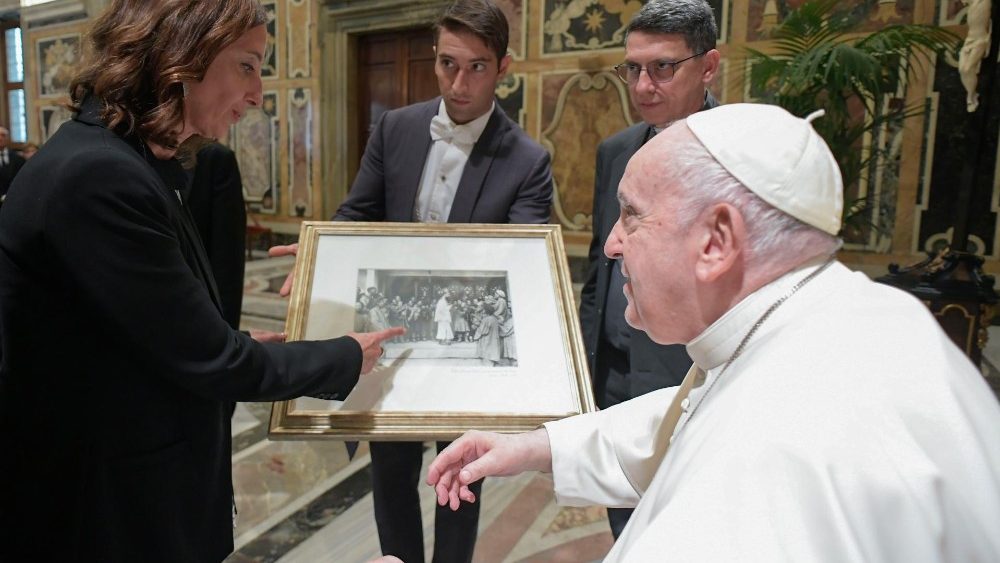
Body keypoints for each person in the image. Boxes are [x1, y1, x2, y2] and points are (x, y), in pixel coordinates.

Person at [427, 103, 1000, 562]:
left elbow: (733, 441)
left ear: (716, 241)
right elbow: (693, 416)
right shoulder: (849, 317)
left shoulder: (772, 464)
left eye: (632, 216)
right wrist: (535, 446)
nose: (610, 245)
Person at [0, 1, 402, 561]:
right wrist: (342, 356)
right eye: (247, 65)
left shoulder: (126, 161)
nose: (260, 93)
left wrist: (221, 341)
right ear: (182, 57)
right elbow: (213, 361)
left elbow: (143, 332)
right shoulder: (99, 175)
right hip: (108, 513)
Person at [271, 1, 553, 560]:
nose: (459, 81)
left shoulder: (527, 160)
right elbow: (358, 213)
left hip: (465, 348)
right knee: (392, 476)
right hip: (391, 344)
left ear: (504, 67)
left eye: (477, 66)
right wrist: (322, 249)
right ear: (434, 58)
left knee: (460, 482)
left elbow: (518, 270)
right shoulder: (396, 128)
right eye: (448, 63)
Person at [578, 0, 719, 537]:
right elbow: (601, 262)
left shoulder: (733, 156)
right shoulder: (615, 151)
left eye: (662, 67)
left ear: (708, 66)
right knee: (626, 525)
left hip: (684, 379)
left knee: (682, 531)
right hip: (612, 372)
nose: (641, 85)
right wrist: (586, 362)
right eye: (631, 68)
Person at [187, 142, 247, 329]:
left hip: (201, 308)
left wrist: (228, 330)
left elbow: (228, 257)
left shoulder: (214, 158)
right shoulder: (129, 152)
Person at [0, 125, 25, 203]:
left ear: (7, 138)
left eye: (3, 135)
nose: (0, 138)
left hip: (14, 200)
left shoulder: (18, 159)